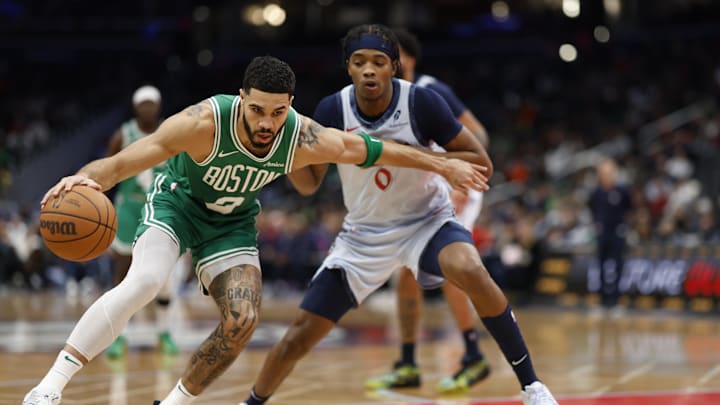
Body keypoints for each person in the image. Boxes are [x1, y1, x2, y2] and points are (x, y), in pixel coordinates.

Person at [22, 55, 486, 405]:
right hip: (178, 204)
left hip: (232, 223)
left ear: (290, 106)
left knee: (242, 322)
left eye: (277, 112)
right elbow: (126, 161)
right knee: (145, 281)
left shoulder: (302, 137)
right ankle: (49, 387)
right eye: (258, 110)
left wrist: (442, 164)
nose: (267, 123)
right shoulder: (203, 122)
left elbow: (373, 148)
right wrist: (86, 178)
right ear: (242, 98)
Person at [240, 25, 558, 405]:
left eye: (378, 62)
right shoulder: (331, 109)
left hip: (426, 221)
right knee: (299, 333)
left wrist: (438, 163)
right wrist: (285, 144)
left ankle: (532, 388)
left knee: (470, 269)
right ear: (348, 68)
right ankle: (252, 402)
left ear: (394, 66)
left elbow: (481, 162)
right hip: (363, 235)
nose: (369, 70)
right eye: (359, 62)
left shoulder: (422, 102)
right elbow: (309, 184)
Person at [364, 28, 493, 393]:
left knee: (453, 265)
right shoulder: (381, 100)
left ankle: (473, 355)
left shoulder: (431, 89)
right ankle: (407, 364)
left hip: (455, 187)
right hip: (423, 193)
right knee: (407, 273)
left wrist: (461, 181)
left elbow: (478, 136)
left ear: (408, 60)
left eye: (389, 57)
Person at [104, 85, 180, 359]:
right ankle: (118, 338)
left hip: (161, 208)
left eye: (152, 104)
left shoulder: (171, 132)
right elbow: (108, 171)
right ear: (136, 107)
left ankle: (165, 333)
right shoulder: (122, 135)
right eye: (143, 104)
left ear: (158, 106)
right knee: (122, 276)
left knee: (165, 278)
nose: (148, 109)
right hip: (129, 210)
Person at [588, 158, 632, 317]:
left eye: (608, 172)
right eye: (602, 173)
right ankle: (602, 301)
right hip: (602, 233)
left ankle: (616, 301)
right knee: (600, 266)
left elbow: (629, 207)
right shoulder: (596, 193)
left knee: (618, 266)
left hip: (618, 233)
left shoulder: (622, 191)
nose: (605, 175)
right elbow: (592, 208)